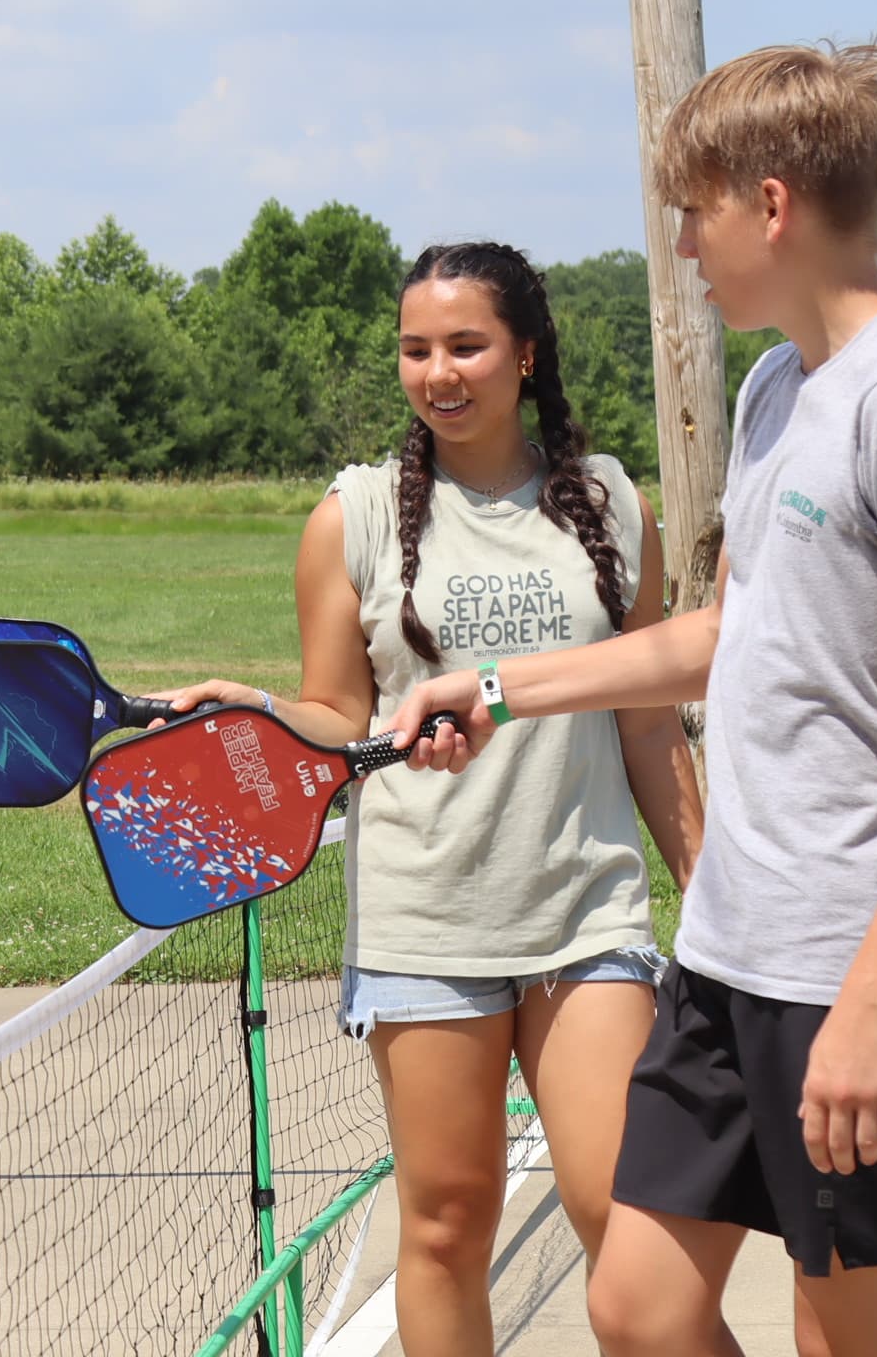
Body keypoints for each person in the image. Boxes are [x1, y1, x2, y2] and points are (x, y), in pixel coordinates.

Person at [390, 43, 877, 1357]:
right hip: (731, 953)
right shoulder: (777, 388)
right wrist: (503, 688)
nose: (683, 244)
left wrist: (873, 1000)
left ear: (774, 203)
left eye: (696, 210)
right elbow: (725, 641)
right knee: (639, 1306)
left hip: (849, 970)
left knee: (851, 1336)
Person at [163, 240, 700, 1357]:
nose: (438, 371)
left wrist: (710, 882)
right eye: (415, 349)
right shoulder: (351, 516)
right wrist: (253, 711)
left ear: (525, 354)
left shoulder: (608, 502)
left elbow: (648, 714)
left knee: (628, 1223)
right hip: (428, 920)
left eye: (466, 345)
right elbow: (334, 715)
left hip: (586, 915)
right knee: (447, 1228)